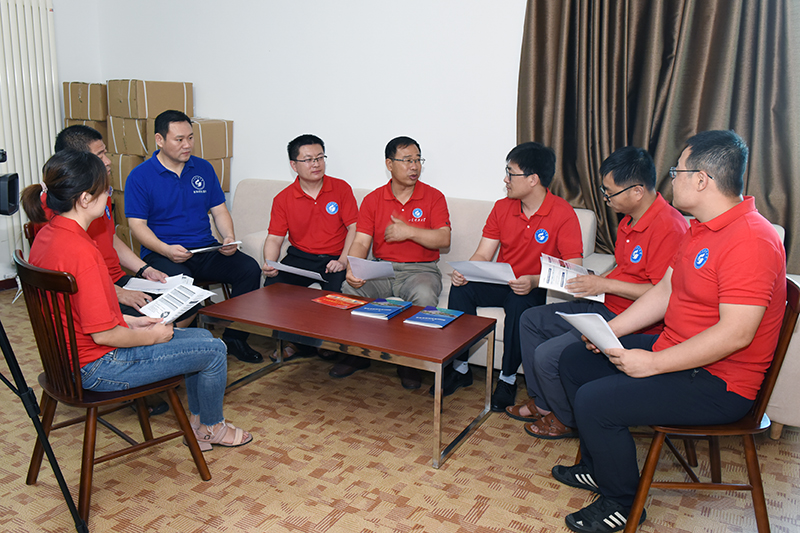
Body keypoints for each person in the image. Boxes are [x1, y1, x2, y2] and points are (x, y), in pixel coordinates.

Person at [552, 130, 785, 533]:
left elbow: (736, 335)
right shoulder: (701, 228)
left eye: (678, 171)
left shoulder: (751, 240)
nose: (671, 179)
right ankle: (596, 466)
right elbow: (665, 291)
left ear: (702, 180)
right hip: (678, 350)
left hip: (719, 382)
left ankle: (623, 503)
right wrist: (610, 330)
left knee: (595, 402)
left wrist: (653, 363)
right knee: (575, 359)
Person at [23, 150, 252, 449]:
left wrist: (131, 321)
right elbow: (104, 335)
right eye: (105, 189)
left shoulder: (48, 236)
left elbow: (77, 313)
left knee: (202, 338)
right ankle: (211, 427)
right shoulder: (84, 252)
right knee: (214, 349)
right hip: (98, 366)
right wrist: (152, 336)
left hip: (66, 362)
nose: (109, 195)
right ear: (85, 199)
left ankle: (200, 424)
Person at [508, 146, 687, 439]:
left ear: (637, 191)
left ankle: (567, 418)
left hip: (630, 319)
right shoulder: (629, 219)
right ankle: (543, 403)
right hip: (603, 304)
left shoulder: (669, 227)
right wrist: (594, 281)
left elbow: (659, 293)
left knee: (548, 355)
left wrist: (604, 285)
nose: (606, 198)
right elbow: (626, 270)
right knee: (531, 320)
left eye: (610, 192)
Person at [24, 125, 178, 416]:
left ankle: (156, 371)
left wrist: (144, 269)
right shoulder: (72, 232)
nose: (107, 161)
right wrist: (119, 295)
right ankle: (147, 377)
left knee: (172, 310)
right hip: (92, 347)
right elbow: (96, 317)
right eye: (100, 155)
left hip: (90, 311)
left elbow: (110, 240)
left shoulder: (75, 215)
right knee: (190, 337)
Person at [444, 142, 583, 412]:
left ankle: (507, 379)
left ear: (533, 179)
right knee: (461, 289)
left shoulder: (563, 213)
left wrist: (533, 280)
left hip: (534, 285)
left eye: (511, 173)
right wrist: (466, 271)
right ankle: (460, 368)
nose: (505, 180)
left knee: (520, 303)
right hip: (502, 280)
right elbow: (484, 253)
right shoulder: (502, 207)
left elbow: (573, 269)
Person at [125, 110, 264, 363]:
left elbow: (219, 210)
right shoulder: (140, 176)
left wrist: (228, 237)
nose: (187, 145)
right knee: (183, 283)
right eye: (179, 139)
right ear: (159, 140)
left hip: (204, 248)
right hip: (162, 253)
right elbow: (137, 225)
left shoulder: (203, 168)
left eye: (190, 137)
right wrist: (166, 249)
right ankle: (177, 347)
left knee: (248, 268)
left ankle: (235, 338)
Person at [336, 136, 451, 389]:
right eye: (407, 160)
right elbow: (361, 241)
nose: (414, 166)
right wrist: (353, 266)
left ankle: (410, 362)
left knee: (424, 294)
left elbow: (444, 239)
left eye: (417, 160)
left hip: (421, 269)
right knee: (350, 288)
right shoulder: (373, 199)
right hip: (382, 268)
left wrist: (409, 232)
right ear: (389, 164)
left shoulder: (434, 197)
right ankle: (357, 354)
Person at [262, 134, 358, 360]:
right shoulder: (283, 198)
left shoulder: (341, 188)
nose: (315, 164)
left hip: (334, 258)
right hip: (300, 257)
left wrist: (343, 260)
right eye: (308, 160)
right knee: (273, 287)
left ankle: (330, 343)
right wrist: (270, 263)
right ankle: (294, 343)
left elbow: (355, 228)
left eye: (319, 158)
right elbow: (275, 238)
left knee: (340, 294)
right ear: (294, 165)